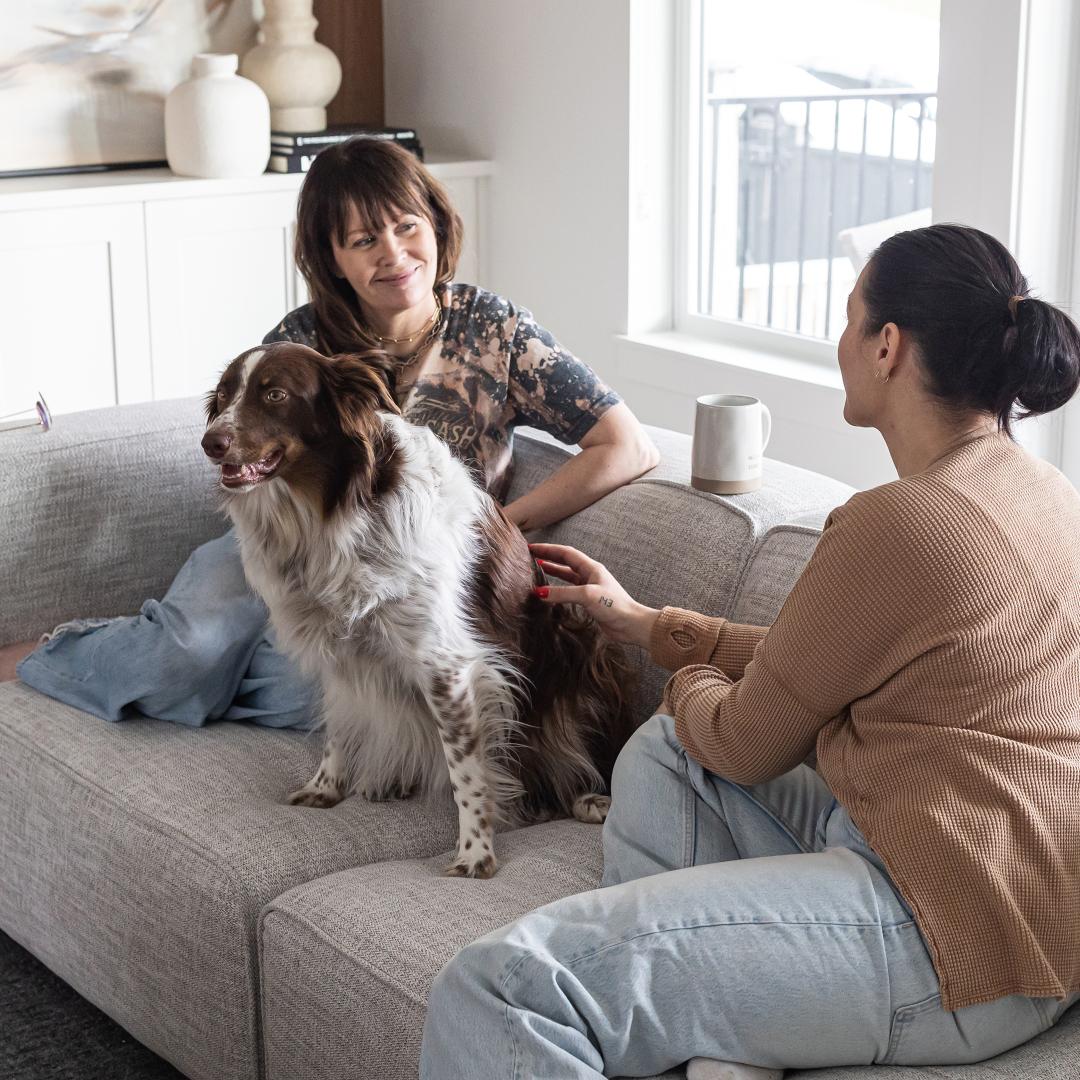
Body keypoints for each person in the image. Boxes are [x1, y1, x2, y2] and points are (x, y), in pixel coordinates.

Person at [418, 223, 1080, 1079]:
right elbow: (836, 653)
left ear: (888, 346)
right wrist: (654, 627)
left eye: (849, 321)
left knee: (500, 984)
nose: (840, 341)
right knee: (663, 755)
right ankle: (717, 1032)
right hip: (1019, 892)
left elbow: (745, 741)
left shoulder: (901, 521)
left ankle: (659, 1009)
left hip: (950, 941)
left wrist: (680, 679)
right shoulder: (1038, 487)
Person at [14, 139, 659, 728]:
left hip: (396, 579)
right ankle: (58, 652)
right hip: (281, 552)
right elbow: (240, 453)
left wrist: (503, 523)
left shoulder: (496, 331)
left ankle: (193, 684)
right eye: (362, 240)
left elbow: (627, 445)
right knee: (186, 653)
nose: (394, 254)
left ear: (436, 223)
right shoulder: (297, 345)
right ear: (329, 257)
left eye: (408, 226)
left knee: (316, 698)